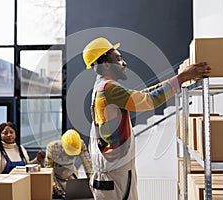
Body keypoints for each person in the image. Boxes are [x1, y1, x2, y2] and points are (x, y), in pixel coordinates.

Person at [82, 37, 211, 200]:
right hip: (114, 177)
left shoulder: (103, 87)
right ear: (106, 64)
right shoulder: (109, 89)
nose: (124, 63)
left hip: (111, 174)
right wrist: (181, 79)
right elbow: (149, 101)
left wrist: (178, 80)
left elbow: (144, 95)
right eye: (118, 58)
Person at [44, 129, 92, 199]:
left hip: (70, 175)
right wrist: (56, 189)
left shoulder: (80, 144)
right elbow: (48, 171)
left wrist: (92, 182)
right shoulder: (53, 147)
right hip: (56, 177)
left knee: (74, 195)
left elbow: (88, 165)